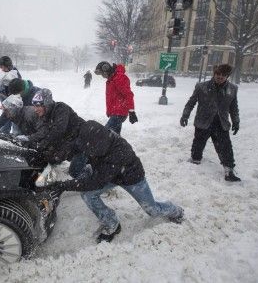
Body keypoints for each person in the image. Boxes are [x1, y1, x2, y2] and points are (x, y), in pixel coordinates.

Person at [37, 119, 184, 243]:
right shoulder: (92, 135)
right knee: (87, 195)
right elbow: (75, 147)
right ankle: (111, 222)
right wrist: (55, 155)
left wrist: (64, 185)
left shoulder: (116, 153)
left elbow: (95, 182)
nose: (88, 152)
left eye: (90, 151)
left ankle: (175, 211)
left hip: (131, 177)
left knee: (153, 210)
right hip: (109, 173)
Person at [180, 64, 241, 182]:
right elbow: (191, 103)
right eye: (218, 74)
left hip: (221, 123)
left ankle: (229, 170)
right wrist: (185, 115)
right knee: (198, 144)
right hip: (203, 121)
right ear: (214, 73)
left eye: (223, 75)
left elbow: (234, 108)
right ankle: (195, 161)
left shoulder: (232, 89)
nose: (220, 77)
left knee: (225, 147)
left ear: (227, 76)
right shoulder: (201, 87)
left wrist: (236, 121)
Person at [30, 89, 88, 178]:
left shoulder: (61, 108)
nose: (35, 109)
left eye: (38, 105)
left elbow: (58, 130)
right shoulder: (45, 115)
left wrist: (43, 145)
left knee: (74, 172)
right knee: (51, 157)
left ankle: (92, 181)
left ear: (47, 103)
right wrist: (31, 140)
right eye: (34, 106)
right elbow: (44, 132)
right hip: (72, 141)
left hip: (84, 140)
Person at [94, 61, 138, 134]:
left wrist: (131, 111)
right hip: (116, 112)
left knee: (104, 135)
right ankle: (117, 145)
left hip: (119, 112)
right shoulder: (112, 79)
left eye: (102, 74)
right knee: (114, 137)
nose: (102, 76)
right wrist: (109, 111)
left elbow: (128, 95)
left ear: (106, 69)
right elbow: (112, 97)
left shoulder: (119, 78)